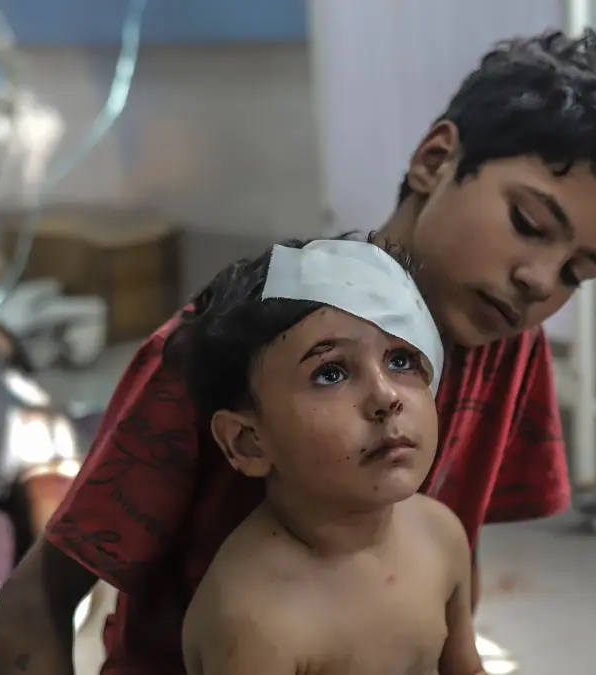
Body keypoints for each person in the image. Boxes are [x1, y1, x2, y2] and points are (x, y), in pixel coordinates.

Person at [0, 29, 596, 675]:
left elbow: (452, 554)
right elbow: (35, 601)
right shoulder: (214, 354)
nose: (540, 281)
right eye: (529, 223)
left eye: (576, 273)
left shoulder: (505, 345)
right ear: (435, 161)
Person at [176, 239, 481, 675]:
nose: (386, 396)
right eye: (331, 372)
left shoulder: (440, 534)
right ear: (249, 442)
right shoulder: (255, 620)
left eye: (400, 360)